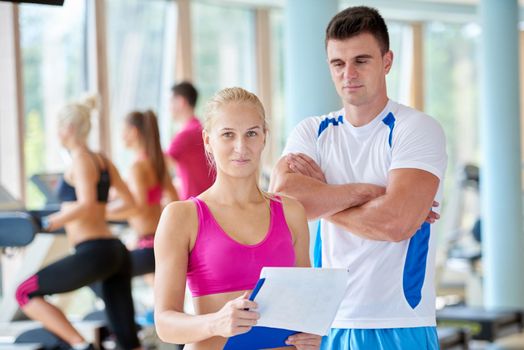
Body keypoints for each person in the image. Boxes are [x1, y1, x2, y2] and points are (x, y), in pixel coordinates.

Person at [270, 6, 447, 350]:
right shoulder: (312, 131)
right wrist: (368, 194)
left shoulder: (416, 129)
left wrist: (323, 199)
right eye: (338, 63)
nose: (348, 73)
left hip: (399, 321)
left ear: (387, 61)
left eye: (361, 60)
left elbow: (396, 222)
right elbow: (283, 202)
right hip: (327, 322)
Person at [154, 87, 321, 350]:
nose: (241, 147)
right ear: (208, 140)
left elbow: (302, 307)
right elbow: (164, 324)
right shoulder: (182, 217)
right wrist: (215, 323)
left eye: (251, 133)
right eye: (228, 135)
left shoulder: (291, 212)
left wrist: (311, 334)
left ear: (264, 137)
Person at [15, 97, 142, 350]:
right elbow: (130, 204)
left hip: (94, 251)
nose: (57, 133)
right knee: (128, 339)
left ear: (69, 129)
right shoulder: (102, 160)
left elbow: (85, 203)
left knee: (24, 293)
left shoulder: (81, 160)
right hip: (114, 252)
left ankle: (81, 345)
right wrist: (96, 212)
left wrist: (50, 221)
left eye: (58, 127)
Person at [121, 110, 179, 280]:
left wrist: (102, 212)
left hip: (147, 243)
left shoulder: (137, 167)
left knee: (106, 274)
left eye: (123, 131)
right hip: (157, 240)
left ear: (133, 132)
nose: (121, 136)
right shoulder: (156, 162)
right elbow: (174, 198)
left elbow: (141, 207)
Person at [166, 81, 215, 199]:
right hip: (207, 198)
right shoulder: (199, 127)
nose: (169, 107)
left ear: (181, 102)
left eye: (171, 101)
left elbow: (160, 165)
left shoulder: (186, 135)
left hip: (196, 203)